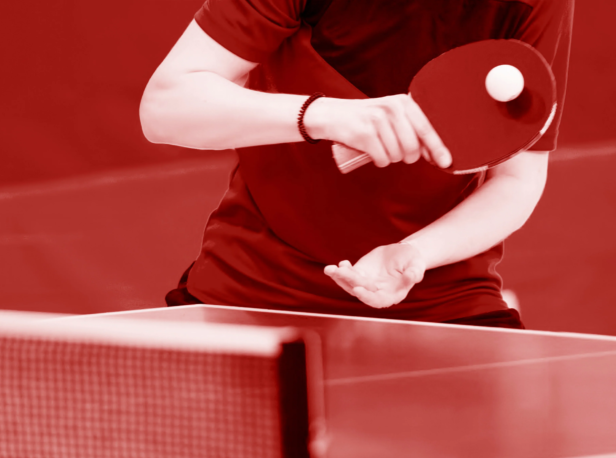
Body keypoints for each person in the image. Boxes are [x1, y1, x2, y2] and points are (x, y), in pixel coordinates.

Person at [140, 0, 573, 329]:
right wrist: (326, 116)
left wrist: (417, 253)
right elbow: (164, 107)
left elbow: (517, 178)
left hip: (443, 302)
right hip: (252, 290)